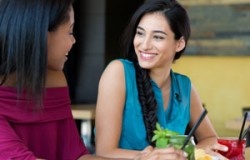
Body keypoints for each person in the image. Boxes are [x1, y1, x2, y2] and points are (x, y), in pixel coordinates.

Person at [95, 0, 228, 159]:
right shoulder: (118, 72)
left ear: (179, 44)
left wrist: (187, 154)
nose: (144, 45)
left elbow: (210, 138)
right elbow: (105, 152)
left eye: (157, 37)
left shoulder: (185, 87)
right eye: (140, 33)